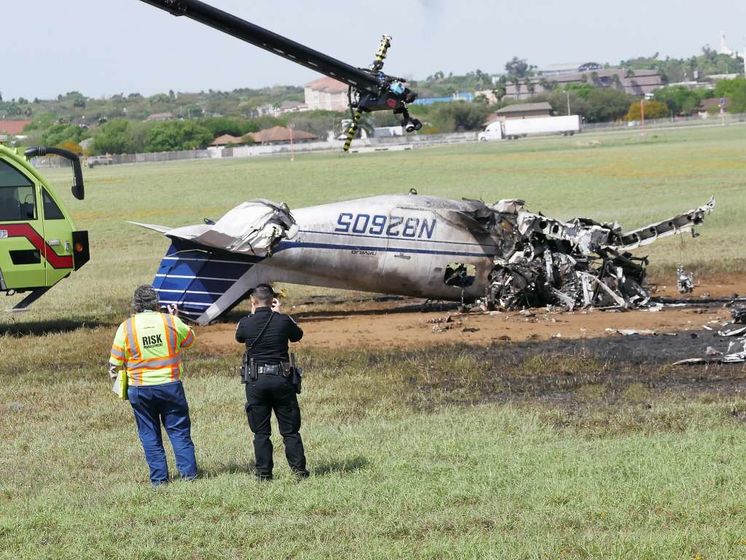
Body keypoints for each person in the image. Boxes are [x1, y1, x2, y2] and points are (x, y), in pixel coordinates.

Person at [108, 285, 198, 486]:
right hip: (170, 386)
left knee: (149, 434)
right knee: (179, 431)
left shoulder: (126, 327)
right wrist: (176, 319)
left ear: (136, 305)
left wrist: (118, 385)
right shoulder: (170, 321)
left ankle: (159, 480)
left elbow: (115, 361)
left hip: (139, 389)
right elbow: (190, 340)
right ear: (157, 303)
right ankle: (189, 477)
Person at [235, 284, 308, 480]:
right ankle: (299, 472)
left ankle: (264, 474)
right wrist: (279, 313)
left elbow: (239, 337)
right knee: (290, 430)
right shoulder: (283, 320)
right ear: (272, 301)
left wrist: (253, 314)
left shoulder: (245, 322)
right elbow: (297, 335)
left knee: (261, 433)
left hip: (256, 381)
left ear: (253, 301)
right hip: (281, 380)